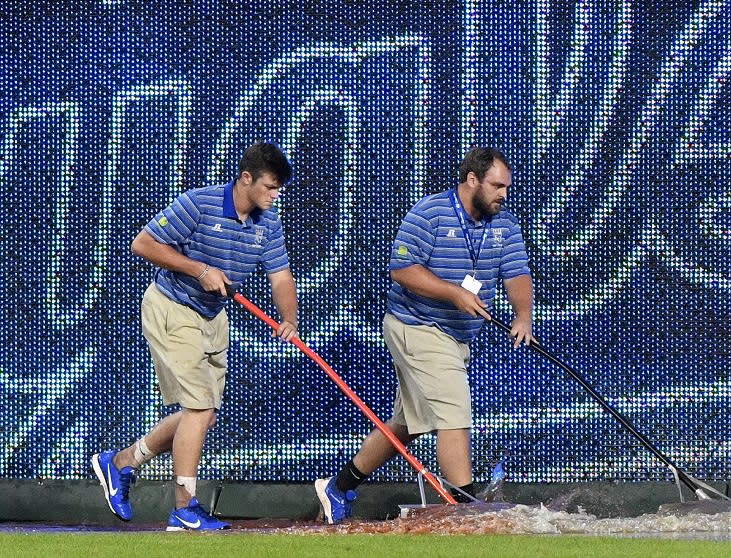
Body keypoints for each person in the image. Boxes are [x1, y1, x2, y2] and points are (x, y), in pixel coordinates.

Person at [315, 147, 534, 523]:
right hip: (416, 326)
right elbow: (402, 269)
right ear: (472, 180)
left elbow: (516, 273)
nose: (504, 194)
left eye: (507, 187)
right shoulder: (430, 213)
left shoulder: (505, 224)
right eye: (497, 186)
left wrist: (523, 315)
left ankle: (337, 487)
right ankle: (462, 510)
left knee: (406, 425)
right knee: (453, 410)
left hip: (455, 337)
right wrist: (453, 292)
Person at [91, 142, 299, 531]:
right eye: (270, 187)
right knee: (199, 408)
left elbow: (281, 276)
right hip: (172, 307)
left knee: (203, 414)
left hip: (212, 317)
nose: (275, 195)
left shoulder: (268, 223)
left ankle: (121, 462)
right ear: (246, 178)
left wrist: (289, 319)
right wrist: (199, 269)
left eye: (279, 189)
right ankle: (184, 508)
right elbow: (144, 244)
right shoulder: (199, 203)